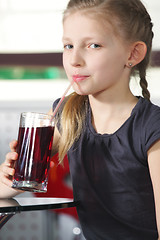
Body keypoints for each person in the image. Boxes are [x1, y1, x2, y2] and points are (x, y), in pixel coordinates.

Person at [0, 0, 160, 239]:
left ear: (133, 53)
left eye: (93, 45)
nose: (74, 59)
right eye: (68, 45)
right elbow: (15, 186)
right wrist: (11, 176)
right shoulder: (68, 114)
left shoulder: (151, 128)